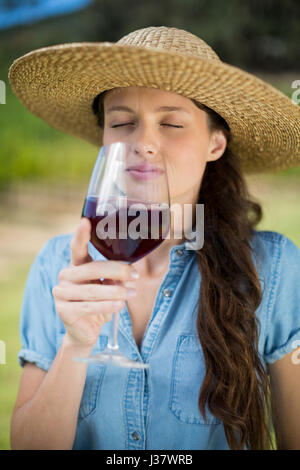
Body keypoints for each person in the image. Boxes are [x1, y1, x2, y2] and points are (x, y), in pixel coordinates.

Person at [8, 26, 300, 451]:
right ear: (105, 139)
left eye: (172, 123)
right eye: (123, 122)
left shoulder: (274, 268)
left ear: (215, 143)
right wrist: (76, 343)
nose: (143, 142)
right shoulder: (56, 266)